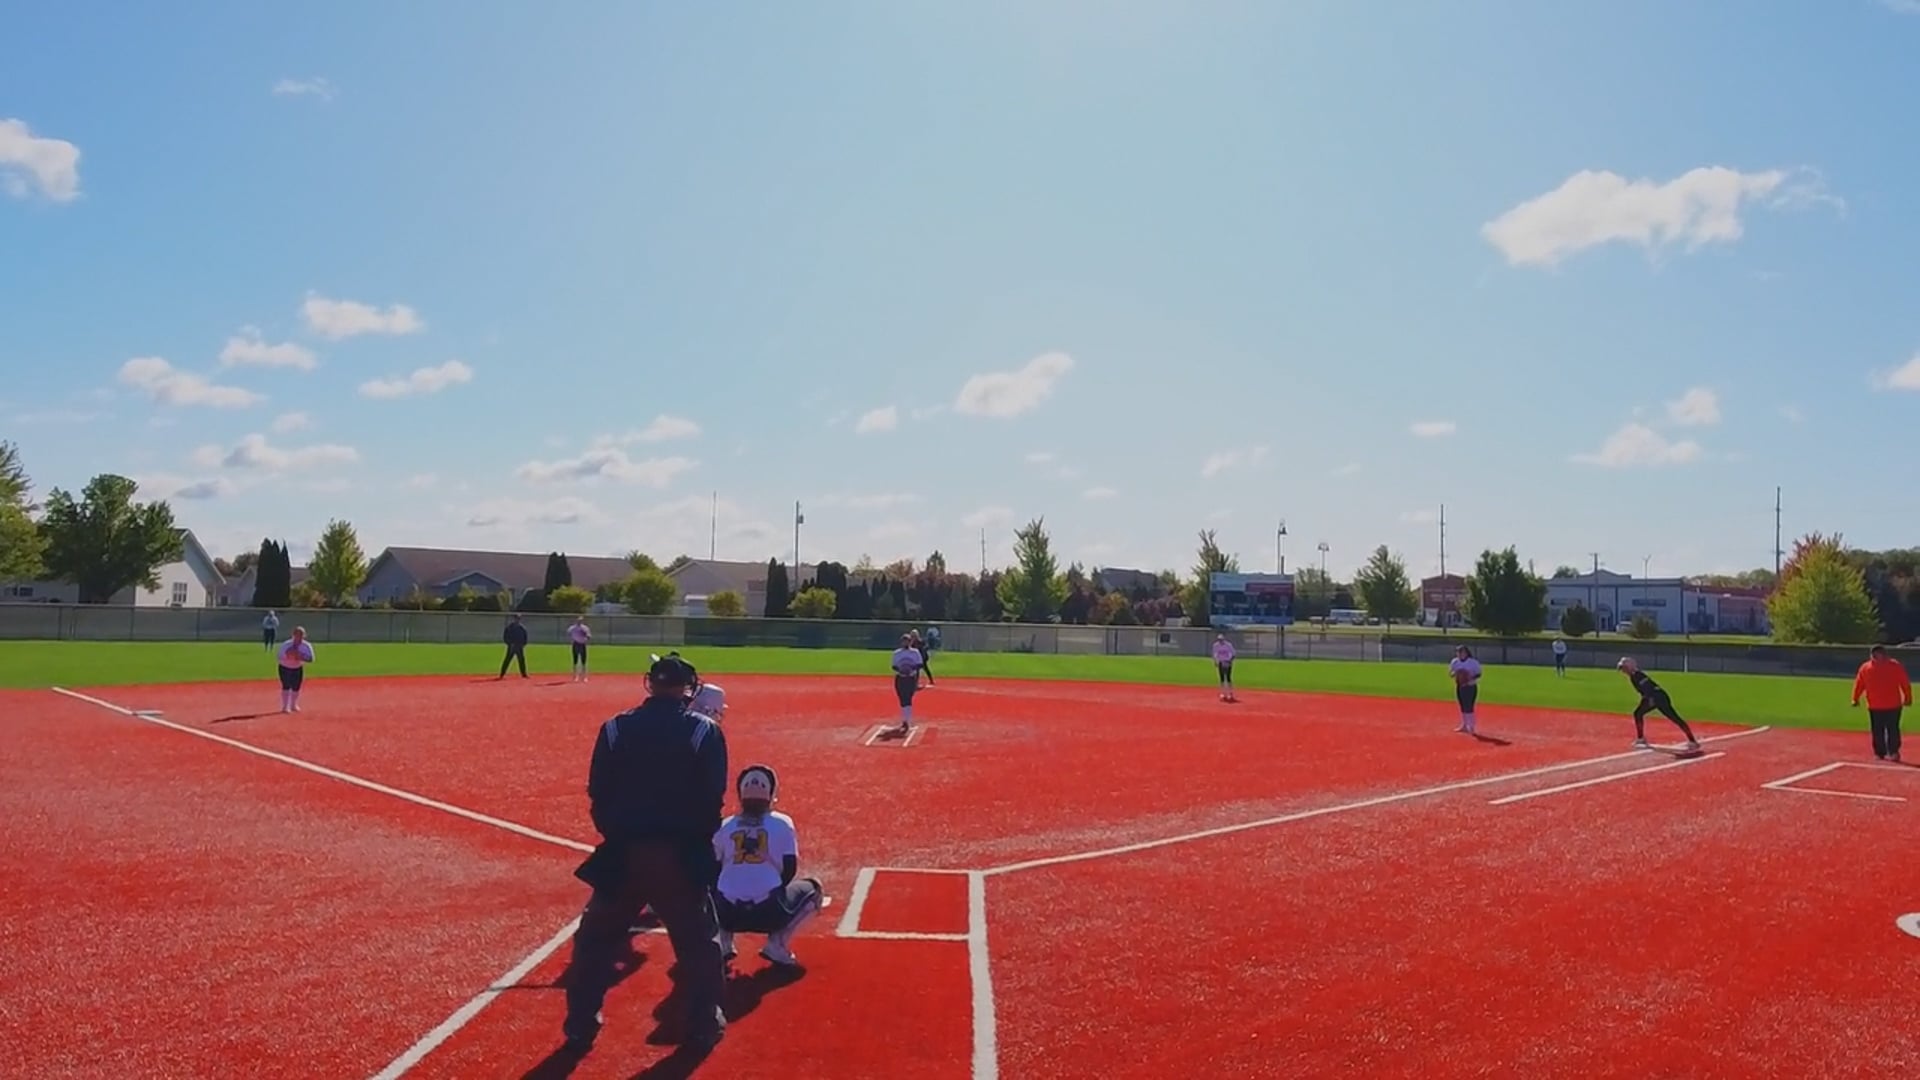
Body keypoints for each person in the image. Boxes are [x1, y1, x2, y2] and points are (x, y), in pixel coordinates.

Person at [562, 654, 730, 1053]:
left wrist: (617, 835)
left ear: (650, 683)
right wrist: (694, 845)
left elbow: (598, 792)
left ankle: (580, 1023)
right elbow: (712, 798)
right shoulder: (703, 730)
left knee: (594, 943)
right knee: (698, 945)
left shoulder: (615, 727)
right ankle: (702, 1024)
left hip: (622, 854)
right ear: (688, 687)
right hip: (679, 855)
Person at [712, 765, 826, 967]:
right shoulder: (782, 822)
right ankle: (777, 944)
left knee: (712, 891)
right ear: (771, 794)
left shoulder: (724, 825)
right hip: (769, 911)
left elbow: (713, 870)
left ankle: (723, 942)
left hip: (728, 913)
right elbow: (789, 870)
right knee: (814, 889)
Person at [1616, 657, 1701, 754]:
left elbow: (1648, 688)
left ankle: (1692, 741)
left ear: (1630, 667)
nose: (1623, 670)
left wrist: (1650, 700)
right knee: (1638, 714)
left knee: (1672, 717)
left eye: (1624, 668)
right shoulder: (1634, 676)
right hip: (1655, 696)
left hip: (1657, 697)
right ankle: (1641, 739)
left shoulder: (1637, 675)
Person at [1851, 644, 1913, 762]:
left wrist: (1908, 698)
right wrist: (1855, 698)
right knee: (1877, 730)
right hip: (1875, 705)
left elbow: (1904, 683)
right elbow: (1859, 684)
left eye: (1879, 653)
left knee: (1892, 729)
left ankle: (1893, 751)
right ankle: (1879, 753)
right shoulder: (1865, 668)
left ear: (1884, 654)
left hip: (1893, 705)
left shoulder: (1894, 666)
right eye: (1874, 654)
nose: (1877, 656)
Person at [889, 634, 925, 734]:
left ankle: (906, 720)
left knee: (908, 699)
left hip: (911, 678)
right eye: (904, 641)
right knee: (902, 699)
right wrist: (901, 670)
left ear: (910, 642)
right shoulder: (897, 653)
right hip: (900, 678)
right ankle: (905, 719)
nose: (906, 643)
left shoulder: (915, 652)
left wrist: (910, 669)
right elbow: (894, 666)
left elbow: (920, 664)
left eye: (908, 641)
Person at [276, 627, 314, 713]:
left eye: (301, 635)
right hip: (285, 667)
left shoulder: (306, 645)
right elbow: (279, 656)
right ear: (293, 635)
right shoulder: (286, 644)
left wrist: (301, 656)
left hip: (297, 667)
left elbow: (311, 659)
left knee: (296, 686)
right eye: (297, 634)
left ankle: (293, 705)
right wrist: (289, 655)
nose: (299, 637)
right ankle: (285, 706)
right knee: (286, 685)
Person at [1449, 645, 1481, 734]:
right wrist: (1456, 674)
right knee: (1462, 706)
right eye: (1458, 652)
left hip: (1470, 686)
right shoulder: (1455, 662)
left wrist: (1470, 677)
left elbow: (1479, 674)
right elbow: (1451, 673)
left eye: (1462, 652)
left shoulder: (1473, 662)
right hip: (1460, 686)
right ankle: (1464, 725)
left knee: (1469, 706)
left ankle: (1471, 726)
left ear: (1466, 653)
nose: (1460, 654)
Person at [498, 614, 529, 680]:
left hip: (519, 647)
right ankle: (502, 674)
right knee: (507, 660)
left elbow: (525, 638)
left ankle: (524, 674)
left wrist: (522, 645)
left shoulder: (522, 628)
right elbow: (505, 637)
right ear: (514, 619)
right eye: (516, 618)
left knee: (521, 661)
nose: (517, 620)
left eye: (518, 619)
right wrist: (509, 644)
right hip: (511, 647)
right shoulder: (509, 628)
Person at [1212, 634, 1237, 702]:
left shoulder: (1228, 645)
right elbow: (1214, 654)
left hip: (1227, 662)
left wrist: (1229, 661)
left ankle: (1230, 693)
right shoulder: (1216, 645)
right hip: (1221, 662)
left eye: (1221, 640)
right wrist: (1215, 662)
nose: (1220, 641)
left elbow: (1234, 654)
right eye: (1219, 640)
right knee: (1222, 678)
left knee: (1228, 678)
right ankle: (1223, 693)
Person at [568, 616, 592, 683]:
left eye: (581, 620)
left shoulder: (585, 628)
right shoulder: (572, 628)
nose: (579, 621)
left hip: (582, 644)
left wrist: (586, 637)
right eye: (578, 620)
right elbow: (569, 633)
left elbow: (589, 635)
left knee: (583, 661)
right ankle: (575, 677)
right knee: (575, 661)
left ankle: (584, 677)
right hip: (575, 644)